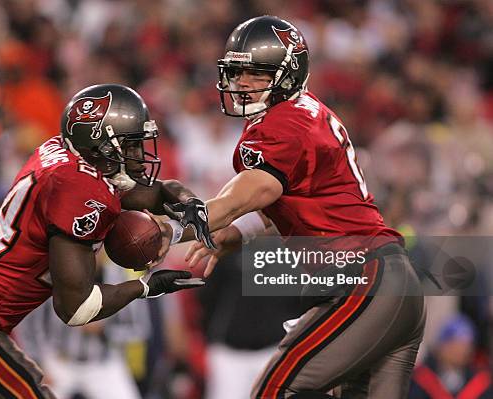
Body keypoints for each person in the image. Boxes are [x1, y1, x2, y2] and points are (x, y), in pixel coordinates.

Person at [153, 16, 426, 399]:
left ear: (287, 73)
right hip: (390, 284)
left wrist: (172, 228)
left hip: (363, 282)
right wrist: (239, 233)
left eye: (256, 72)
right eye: (238, 71)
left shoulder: (288, 120)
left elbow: (253, 190)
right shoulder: (305, 114)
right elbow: (276, 207)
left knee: (274, 390)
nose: (242, 82)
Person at [0, 84, 205, 399]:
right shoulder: (79, 189)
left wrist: (194, 205)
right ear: (99, 144)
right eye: (129, 146)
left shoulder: (67, 156)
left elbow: (155, 192)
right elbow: (76, 309)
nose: (139, 156)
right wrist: (145, 287)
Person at [409, 315, 492, 399]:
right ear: (441, 347)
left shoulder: (480, 382)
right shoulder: (421, 379)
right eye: (455, 346)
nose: (461, 352)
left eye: (466, 347)